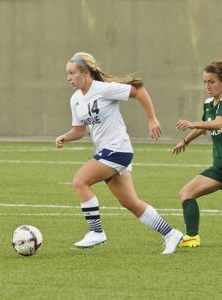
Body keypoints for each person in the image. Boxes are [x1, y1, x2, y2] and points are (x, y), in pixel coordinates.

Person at [56, 52, 182, 254]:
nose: (68, 78)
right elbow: (79, 131)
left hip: (117, 149)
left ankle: (96, 232)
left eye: (72, 73)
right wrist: (65, 137)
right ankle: (171, 234)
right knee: (130, 202)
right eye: (67, 74)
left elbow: (138, 91)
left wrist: (151, 119)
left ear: (86, 72)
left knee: (80, 181)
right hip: (108, 152)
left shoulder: (104, 89)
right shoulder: (75, 100)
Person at [173, 59, 222, 248]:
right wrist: (186, 140)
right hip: (218, 168)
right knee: (186, 193)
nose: (207, 86)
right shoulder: (209, 103)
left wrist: (193, 123)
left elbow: (218, 123)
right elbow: (205, 125)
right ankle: (192, 237)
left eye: (212, 82)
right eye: (205, 82)